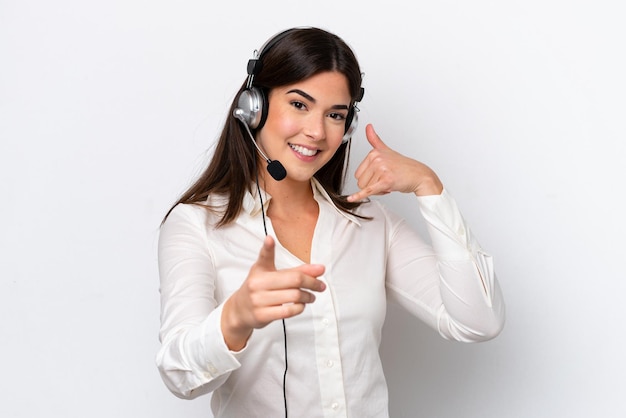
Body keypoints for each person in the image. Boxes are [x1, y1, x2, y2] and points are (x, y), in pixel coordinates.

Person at [156, 26, 505, 418]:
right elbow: (179, 377)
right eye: (299, 105)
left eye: (335, 115)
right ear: (254, 106)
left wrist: (429, 186)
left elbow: (479, 321)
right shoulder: (196, 225)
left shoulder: (371, 223)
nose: (317, 132)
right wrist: (234, 319)